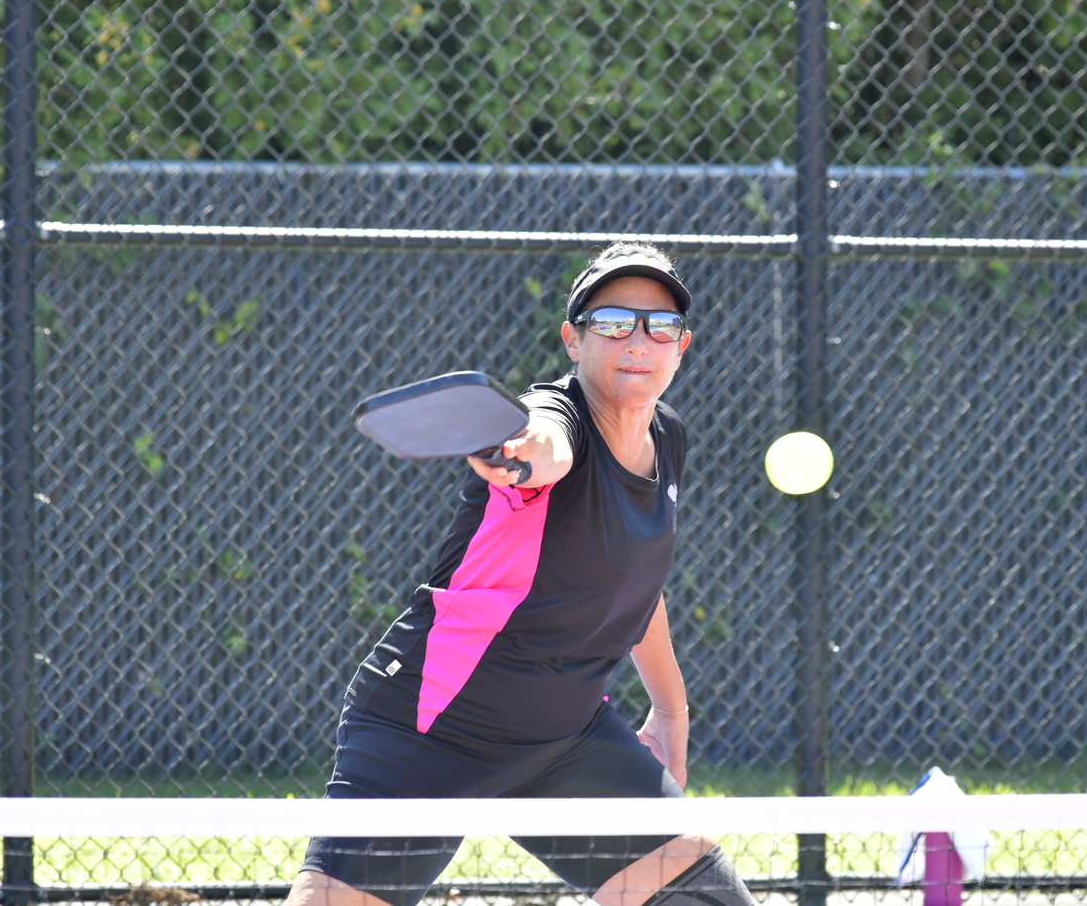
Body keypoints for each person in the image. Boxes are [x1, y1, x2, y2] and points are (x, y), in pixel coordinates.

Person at [290, 243, 755, 906]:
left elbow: (634, 581)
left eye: (661, 326)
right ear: (573, 338)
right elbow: (546, 438)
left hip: (564, 739)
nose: (639, 341)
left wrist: (670, 709)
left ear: (683, 346)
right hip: (433, 725)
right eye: (614, 322)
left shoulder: (667, 439)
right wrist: (524, 455)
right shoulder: (558, 415)